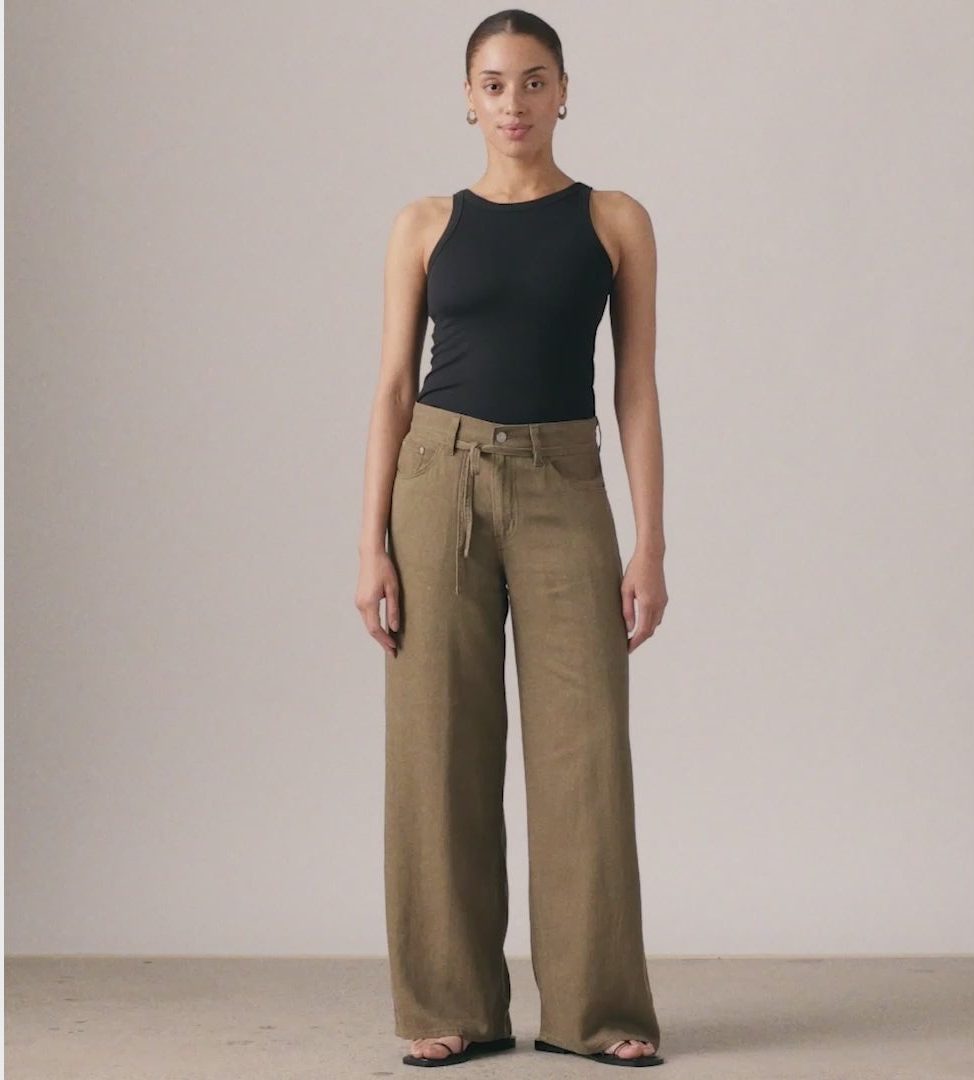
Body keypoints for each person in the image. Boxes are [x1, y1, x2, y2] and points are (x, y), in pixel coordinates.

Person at [351, 9, 669, 1070]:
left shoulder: (613, 219)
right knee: (436, 744)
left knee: (586, 751)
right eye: (494, 84)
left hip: (561, 481)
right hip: (436, 481)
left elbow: (635, 386)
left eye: (535, 81)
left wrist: (650, 543)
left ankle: (597, 1010)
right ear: (468, 99)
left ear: (564, 91)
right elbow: (392, 389)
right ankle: (449, 1006)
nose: (515, 102)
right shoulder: (424, 223)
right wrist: (369, 543)